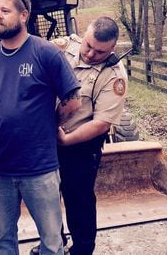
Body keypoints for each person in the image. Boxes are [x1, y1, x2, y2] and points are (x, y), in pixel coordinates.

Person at [0, 0, 82, 255]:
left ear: (23, 15)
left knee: (52, 241)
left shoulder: (46, 53)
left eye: (5, 11)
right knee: (3, 239)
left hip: (40, 168)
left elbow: (73, 101)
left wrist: (48, 121)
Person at [51, 17, 128, 255]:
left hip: (79, 145)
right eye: (88, 46)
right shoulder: (65, 46)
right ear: (84, 35)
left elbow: (102, 123)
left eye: (100, 52)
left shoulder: (114, 76)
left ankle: (82, 249)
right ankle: (54, 242)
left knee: (79, 199)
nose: (91, 54)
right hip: (46, 137)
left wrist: (66, 140)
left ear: (112, 49)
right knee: (47, 196)